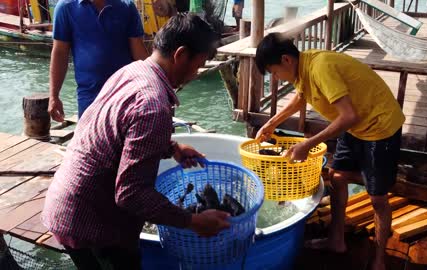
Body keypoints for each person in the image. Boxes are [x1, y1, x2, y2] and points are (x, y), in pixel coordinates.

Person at [42, 14, 229, 270]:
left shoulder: (133, 70)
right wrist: (194, 222)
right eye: (199, 63)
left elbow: (117, 132)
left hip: (65, 203)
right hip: (91, 224)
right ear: (181, 54)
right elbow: (131, 194)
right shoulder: (153, 106)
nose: (196, 73)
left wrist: (171, 148)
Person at [254, 33, 405, 270]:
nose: (275, 78)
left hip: (379, 126)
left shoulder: (320, 67)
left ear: (285, 60)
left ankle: (379, 260)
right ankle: (336, 241)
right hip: (356, 126)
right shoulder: (302, 68)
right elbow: (300, 98)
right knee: (336, 177)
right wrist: (271, 123)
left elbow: (348, 115)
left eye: (273, 72)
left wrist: (307, 144)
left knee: (377, 198)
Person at [48, 0, 150, 122]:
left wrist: (159, 81)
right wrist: (54, 96)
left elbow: (138, 51)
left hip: (126, 96)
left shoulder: (126, 6)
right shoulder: (66, 7)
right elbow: (60, 52)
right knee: (89, 140)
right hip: (90, 99)